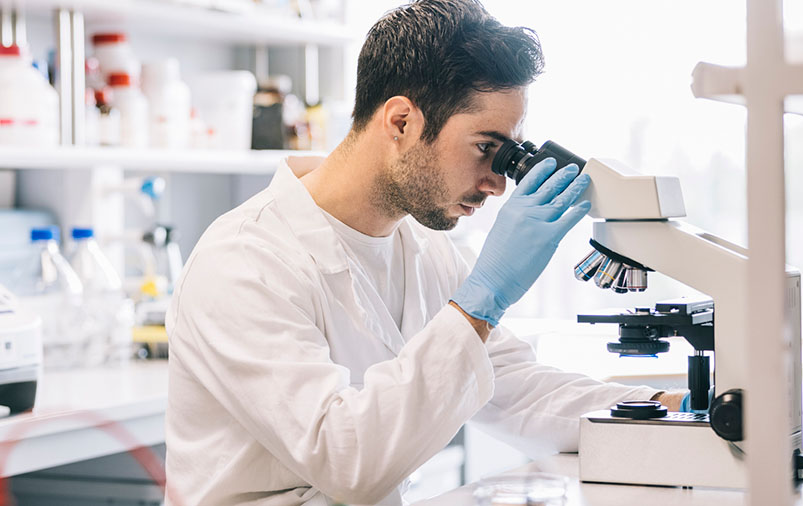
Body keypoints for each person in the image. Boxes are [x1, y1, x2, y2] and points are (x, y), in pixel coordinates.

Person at [164, 1, 687, 504]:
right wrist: (479, 304)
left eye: (508, 153)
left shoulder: (423, 249)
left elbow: (518, 389)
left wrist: (669, 408)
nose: (498, 183)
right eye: (486, 147)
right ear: (400, 123)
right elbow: (347, 462)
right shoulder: (245, 261)